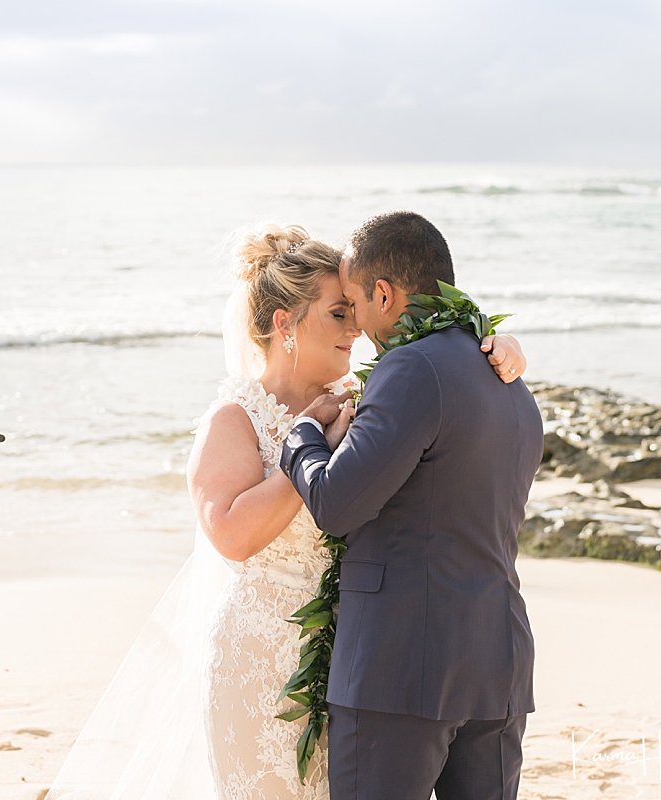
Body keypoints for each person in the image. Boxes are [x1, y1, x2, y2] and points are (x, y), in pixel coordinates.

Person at [46, 223, 528, 799]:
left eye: (354, 310)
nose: (356, 330)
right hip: (263, 661)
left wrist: (496, 348)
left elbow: (442, 439)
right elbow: (230, 535)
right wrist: (310, 451)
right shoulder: (235, 418)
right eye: (338, 313)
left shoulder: (369, 397)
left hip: (355, 659)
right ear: (285, 325)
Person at [281, 212, 542, 800]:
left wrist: (301, 435)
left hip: (402, 669)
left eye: (353, 302)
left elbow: (335, 502)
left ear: (383, 293)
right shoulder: (510, 380)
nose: (358, 323)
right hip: (497, 665)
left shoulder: (409, 368)